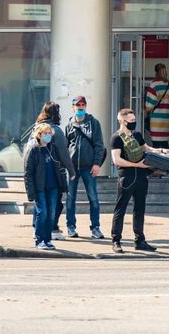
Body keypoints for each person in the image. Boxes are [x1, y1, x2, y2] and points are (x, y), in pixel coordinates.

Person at [110, 108, 169, 253]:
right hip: (126, 177)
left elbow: (146, 149)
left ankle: (140, 241)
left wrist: (162, 150)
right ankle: (116, 241)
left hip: (141, 176)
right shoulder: (116, 137)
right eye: (130, 120)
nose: (133, 122)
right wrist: (137, 165)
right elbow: (116, 160)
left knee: (140, 209)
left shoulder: (136, 134)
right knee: (120, 209)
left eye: (134, 120)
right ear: (122, 121)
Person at [25, 102, 76, 240]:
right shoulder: (56, 131)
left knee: (41, 207)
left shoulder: (36, 128)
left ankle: (39, 230)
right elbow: (64, 154)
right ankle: (50, 230)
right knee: (53, 206)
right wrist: (71, 171)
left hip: (40, 177)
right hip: (52, 176)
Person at [64, 96, 106, 239]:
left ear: (86, 106)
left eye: (83, 105)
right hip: (72, 168)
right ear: (73, 107)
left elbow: (99, 145)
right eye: (78, 105)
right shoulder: (69, 124)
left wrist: (97, 164)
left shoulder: (93, 123)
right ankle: (70, 227)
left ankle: (95, 228)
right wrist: (66, 165)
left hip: (89, 167)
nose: (80, 107)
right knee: (70, 199)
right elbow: (65, 146)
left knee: (93, 198)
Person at [24, 123, 69, 250]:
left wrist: (63, 186)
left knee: (51, 214)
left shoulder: (53, 148)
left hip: (54, 187)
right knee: (42, 213)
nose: (48, 136)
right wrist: (30, 192)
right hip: (40, 188)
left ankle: (48, 240)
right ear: (39, 135)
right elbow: (28, 173)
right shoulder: (34, 150)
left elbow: (60, 167)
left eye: (49, 133)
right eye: (45, 133)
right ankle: (40, 240)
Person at [145, 64, 169, 150]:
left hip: (157, 122)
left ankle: (163, 159)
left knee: (157, 147)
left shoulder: (154, 85)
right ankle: (168, 158)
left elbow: (149, 106)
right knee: (165, 145)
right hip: (168, 121)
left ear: (156, 72)